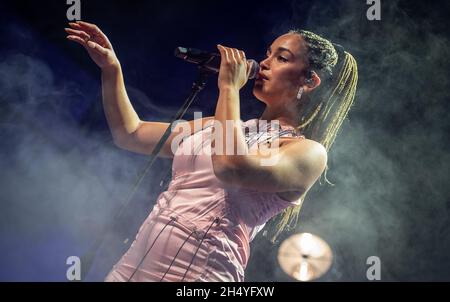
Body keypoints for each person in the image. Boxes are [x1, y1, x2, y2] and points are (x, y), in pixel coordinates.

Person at [65, 21, 358, 281]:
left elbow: (231, 167)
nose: (264, 63)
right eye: (267, 54)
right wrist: (111, 68)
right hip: (132, 267)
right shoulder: (216, 125)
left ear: (309, 81)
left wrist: (229, 89)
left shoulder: (307, 152)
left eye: (281, 58)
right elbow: (130, 134)